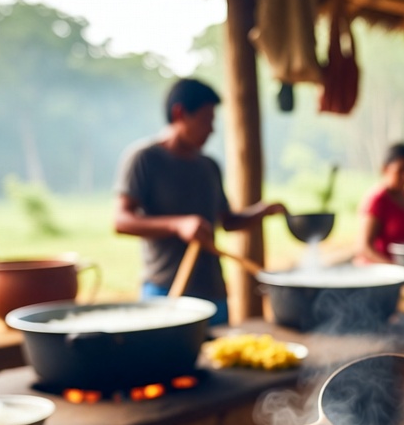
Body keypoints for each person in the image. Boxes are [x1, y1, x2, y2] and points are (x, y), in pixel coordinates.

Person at [114, 77, 286, 326]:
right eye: (206, 120)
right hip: (165, 290)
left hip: (213, 293)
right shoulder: (144, 159)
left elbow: (227, 222)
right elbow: (121, 220)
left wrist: (262, 211)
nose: (211, 129)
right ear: (180, 113)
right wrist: (177, 225)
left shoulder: (209, 166)